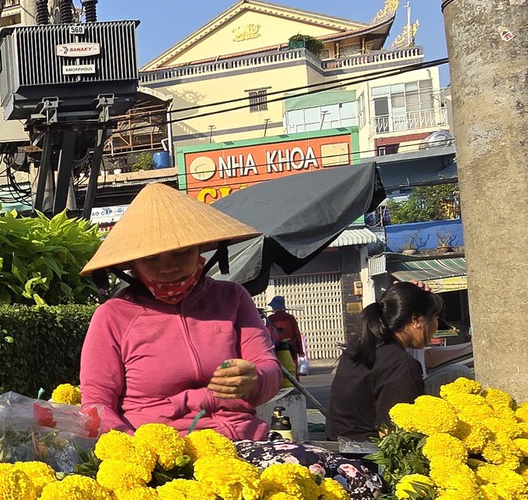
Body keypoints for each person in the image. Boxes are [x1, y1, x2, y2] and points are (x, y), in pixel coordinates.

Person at [77, 183, 282, 438]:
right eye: (151, 258)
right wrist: (129, 447)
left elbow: (270, 372)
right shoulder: (113, 316)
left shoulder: (233, 298)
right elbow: (97, 402)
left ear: (201, 250)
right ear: (132, 265)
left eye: (180, 252)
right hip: (159, 447)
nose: (167, 267)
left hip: (242, 437)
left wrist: (255, 378)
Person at [325, 281, 444, 440]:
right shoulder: (401, 365)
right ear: (416, 320)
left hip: (340, 444)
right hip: (366, 455)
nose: (437, 325)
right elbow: (395, 436)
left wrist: (407, 294)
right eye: (435, 317)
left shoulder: (363, 346)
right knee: (458, 373)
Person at [264, 295, 306, 370]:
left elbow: (267, 335)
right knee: (292, 370)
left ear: (274, 307)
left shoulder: (271, 318)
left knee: (279, 371)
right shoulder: (290, 318)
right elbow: (297, 335)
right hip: (291, 348)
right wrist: (301, 352)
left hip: (276, 349)